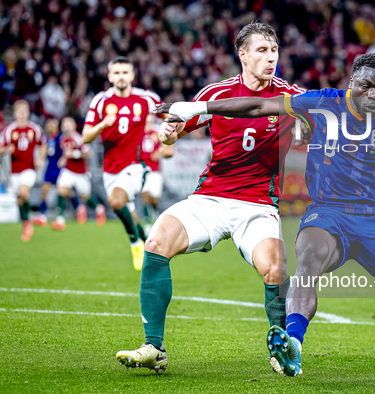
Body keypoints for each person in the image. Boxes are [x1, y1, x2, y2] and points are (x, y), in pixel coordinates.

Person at [162, 53, 375, 377]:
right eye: (366, 85)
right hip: (328, 213)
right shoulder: (323, 102)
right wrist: (197, 107)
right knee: (308, 261)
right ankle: (293, 346)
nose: (373, 94)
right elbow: (258, 104)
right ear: (352, 80)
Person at [115, 22, 304, 372]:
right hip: (210, 199)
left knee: (275, 267)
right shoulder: (216, 93)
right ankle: (154, 347)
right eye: (262, 50)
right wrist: (169, 132)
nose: (271, 57)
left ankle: (280, 351)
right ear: (242, 55)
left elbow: (302, 121)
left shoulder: (290, 95)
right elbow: (172, 135)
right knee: (157, 241)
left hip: (259, 207)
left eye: (274, 50)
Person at [83, 56, 162, 271]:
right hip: (110, 170)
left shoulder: (147, 99)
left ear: (132, 75)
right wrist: (101, 125)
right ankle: (146, 243)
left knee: (116, 202)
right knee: (130, 216)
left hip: (136, 165)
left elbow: (170, 116)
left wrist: (171, 139)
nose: (121, 77)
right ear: (109, 76)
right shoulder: (100, 101)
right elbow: (85, 136)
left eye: (125, 72)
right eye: (116, 73)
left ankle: (135, 244)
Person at [0, 100, 46, 241]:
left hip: (29, 169)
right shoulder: (9, 130)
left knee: (24, 192)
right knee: (19, 199)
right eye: (20, 111)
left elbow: (43, 145)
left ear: (28, 113)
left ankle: (29, 219)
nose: (22, 113)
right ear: (15, 113)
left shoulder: (34, 129)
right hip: (14, 171)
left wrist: (40, 159)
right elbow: (0, 149)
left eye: (25, 110)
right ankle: (27, 224)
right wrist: (7, 149)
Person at [50, 117, 106, 230]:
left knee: (85, 196)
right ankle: (60, 219)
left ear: (74, 126)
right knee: (61, 190)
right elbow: (66, 153)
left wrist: (74, 154)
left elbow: (89, 154)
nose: (66, 127)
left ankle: (98, 208)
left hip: (80, 172)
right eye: (64, 125)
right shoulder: (62, 139)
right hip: (68, 171)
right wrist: (64, 159)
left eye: (68, 124)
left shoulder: (78, 138)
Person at [33, 118, 81, 227]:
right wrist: (40, 159)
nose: (48, 126)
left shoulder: (61, 138)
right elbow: (44, 149)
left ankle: (77, 207)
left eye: (51, 124)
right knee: (45, 189)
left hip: (60, 167)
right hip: (50, 167)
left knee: (66, 192)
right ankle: (42, 215)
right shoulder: (46, 139)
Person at [140, 114, 174, 235]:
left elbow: (166, 147)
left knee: (154, 199)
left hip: (155, 171)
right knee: (145, 195)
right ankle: (148, 223)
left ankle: (154, 213)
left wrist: (159, 153)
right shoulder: (138, 132)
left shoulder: (157, 131)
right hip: (142, 170)